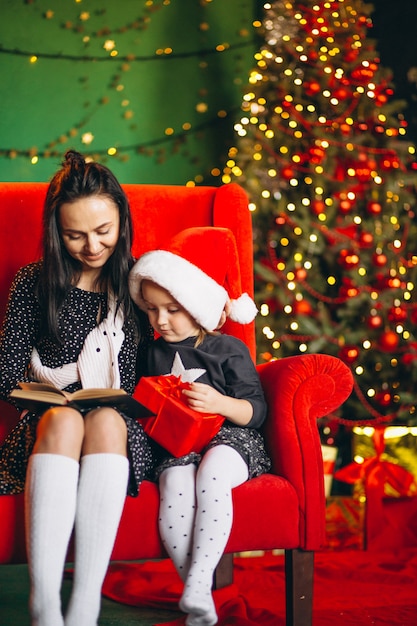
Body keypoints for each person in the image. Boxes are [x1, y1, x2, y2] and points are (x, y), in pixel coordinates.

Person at [0, 150, 155, 626]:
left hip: (116, 426)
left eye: (103, 232)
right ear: (55, 232)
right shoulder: (33, 282)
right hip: (48, 426)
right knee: (66, 418)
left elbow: (148, 373)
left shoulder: (138, 285)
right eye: (75, 235)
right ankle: (44, 604)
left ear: (122, 221)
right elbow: (7, 375)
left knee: (106, 419)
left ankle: (86, 602)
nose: (92, 246)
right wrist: (56, 393)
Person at [128, 226, 271, 626]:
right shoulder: (150, 351)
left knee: (211, 476)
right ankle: (199, 594)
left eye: (173, 310)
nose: (161, 320)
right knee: (175, 484)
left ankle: (199, 578)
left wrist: (221, 403)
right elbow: (142, 408)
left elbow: (256, 412)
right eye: (153, 309)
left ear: (198, 304)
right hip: (177, 444)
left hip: (232, 440)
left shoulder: (227, 348)